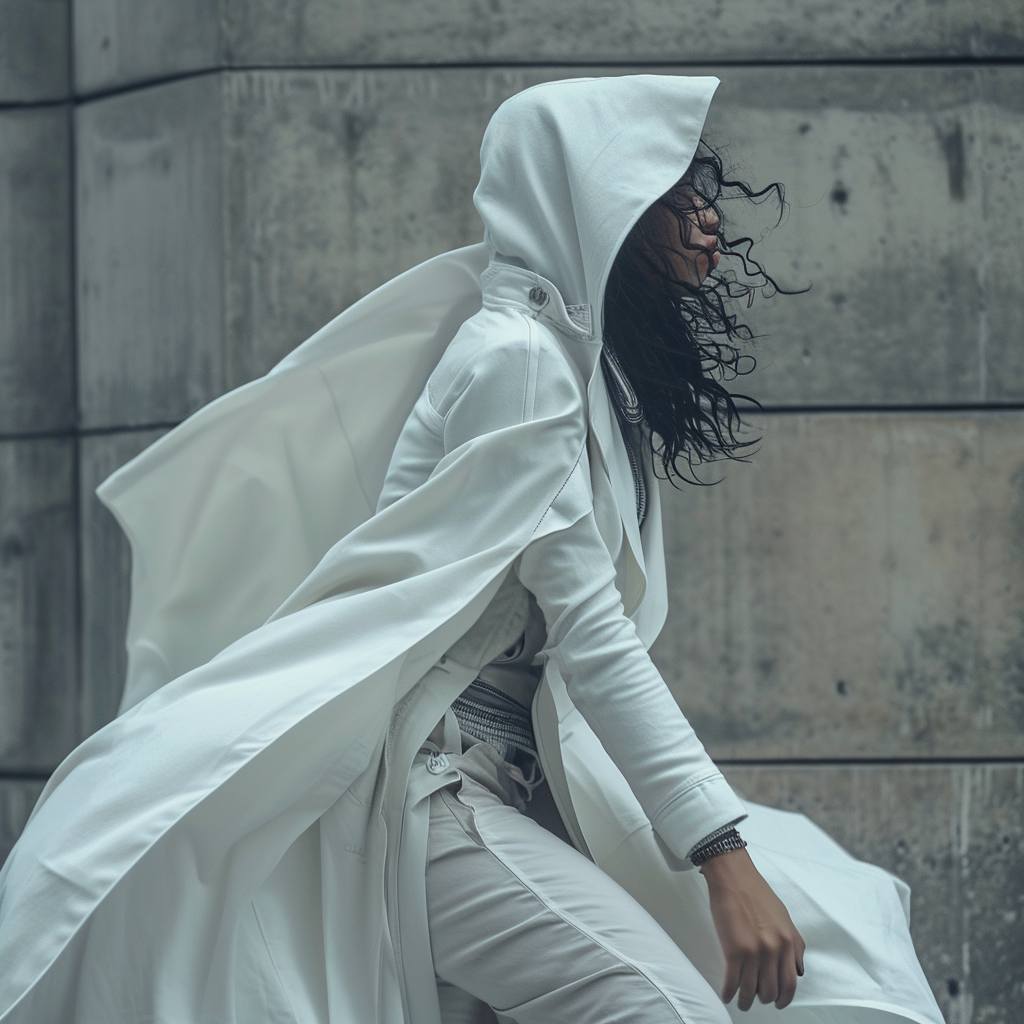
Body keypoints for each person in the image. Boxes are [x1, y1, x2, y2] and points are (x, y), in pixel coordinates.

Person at [0, 75, 943, 1024]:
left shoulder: (564, 360)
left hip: (512, 787)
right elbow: (593, 637)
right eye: (671, 197)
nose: (708, 223)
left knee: (833, 948)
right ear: (594, 206)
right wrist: (720, 855)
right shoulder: (523, 361)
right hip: (437, 790)